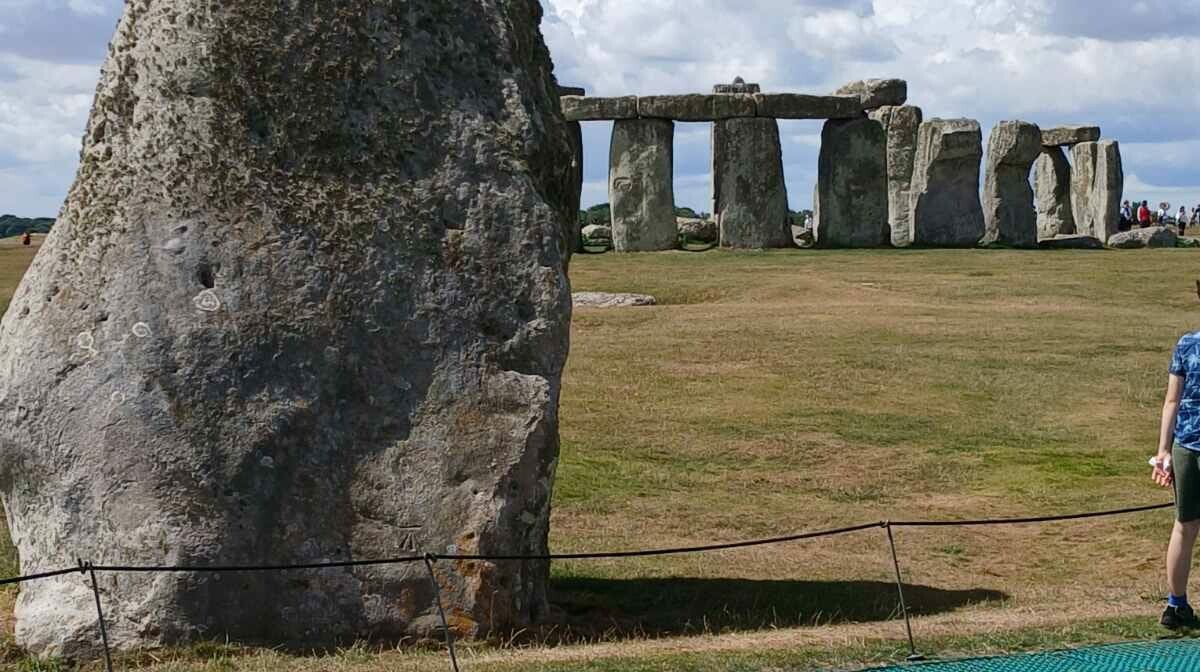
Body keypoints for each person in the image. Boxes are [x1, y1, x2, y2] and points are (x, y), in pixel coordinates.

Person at [1153, 299, 1200, 629]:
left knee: (1184, 526)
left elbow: (1172, 400)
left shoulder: (1186, 344)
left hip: (1186, 447)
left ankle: (1175, 605)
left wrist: (1163, 450)